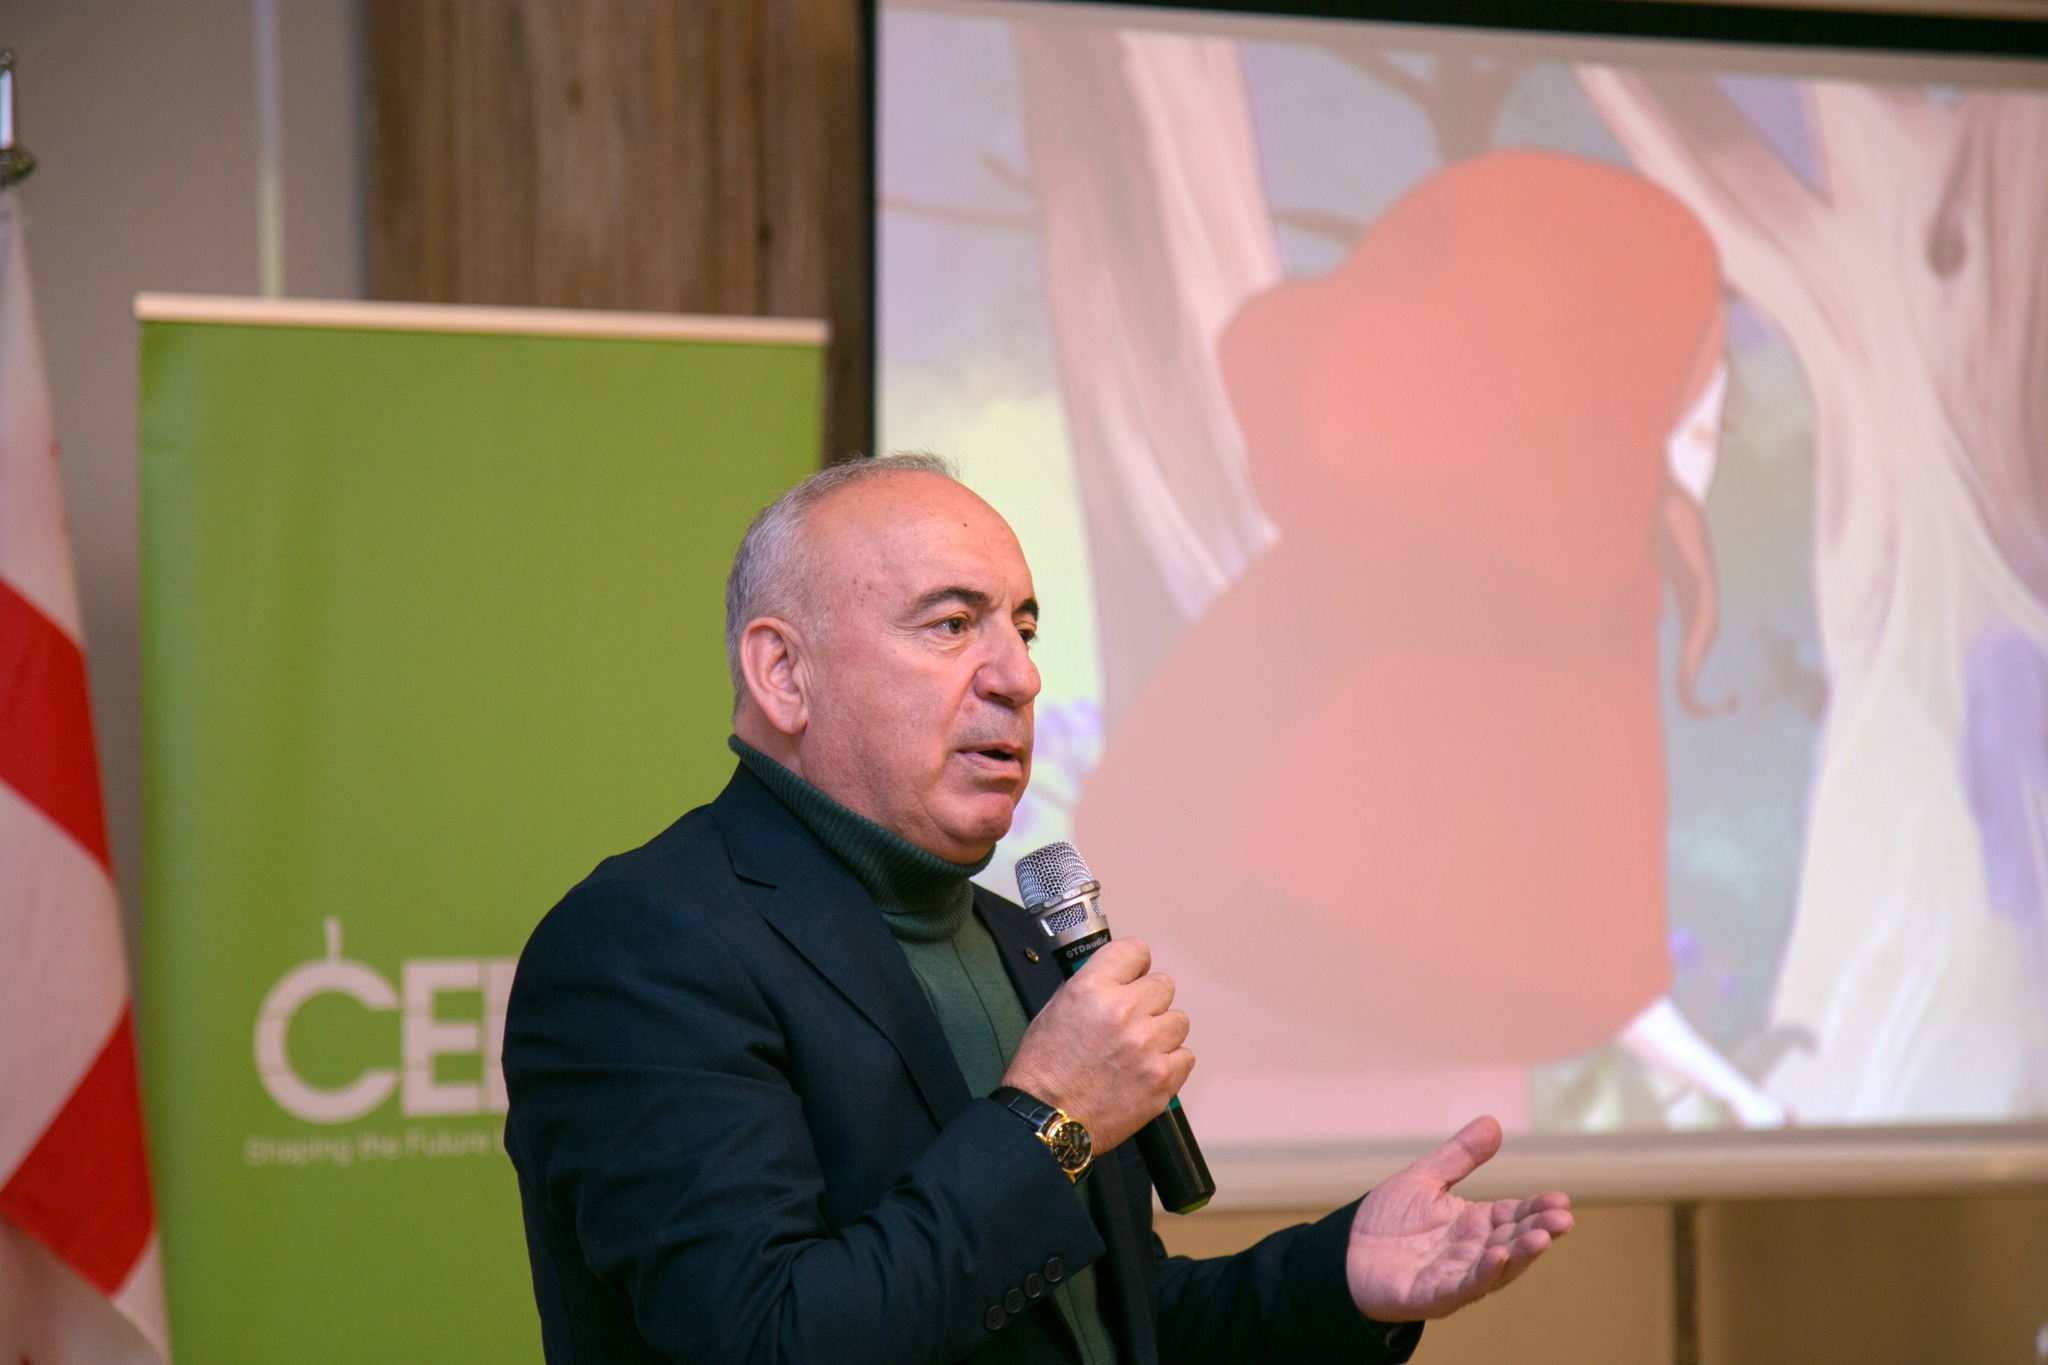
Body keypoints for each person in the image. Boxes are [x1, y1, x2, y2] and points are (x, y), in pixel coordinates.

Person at [502, 453, 1573, 1364]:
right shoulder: (645, 946)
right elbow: (769, 1338)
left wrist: (1337, 1277)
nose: (1017, 676)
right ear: (783, 673)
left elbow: (1108, 1329)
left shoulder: (1020, 942)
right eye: (951, 623)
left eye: (1022, 627)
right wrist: (1049, 1117)